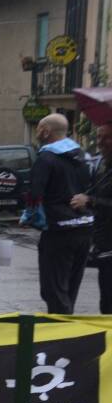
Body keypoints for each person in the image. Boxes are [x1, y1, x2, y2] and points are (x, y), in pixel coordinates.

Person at [25, 114, 94, 314]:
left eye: (39, 128)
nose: (37, 132)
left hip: (58, 231)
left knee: (53, 289)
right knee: (71, 288)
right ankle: (66, 328)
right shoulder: (83, 157)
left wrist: (30, 217)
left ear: (47, 131)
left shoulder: (46, 159)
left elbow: (35, 195)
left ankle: (59, 335)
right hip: (84, 229)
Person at [72, 122, 112, 312]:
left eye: (107, 137)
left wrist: (90, 201)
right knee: (106, 303)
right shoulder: (103, 166)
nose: (100, 142)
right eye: (98, 137)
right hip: (104, 246)